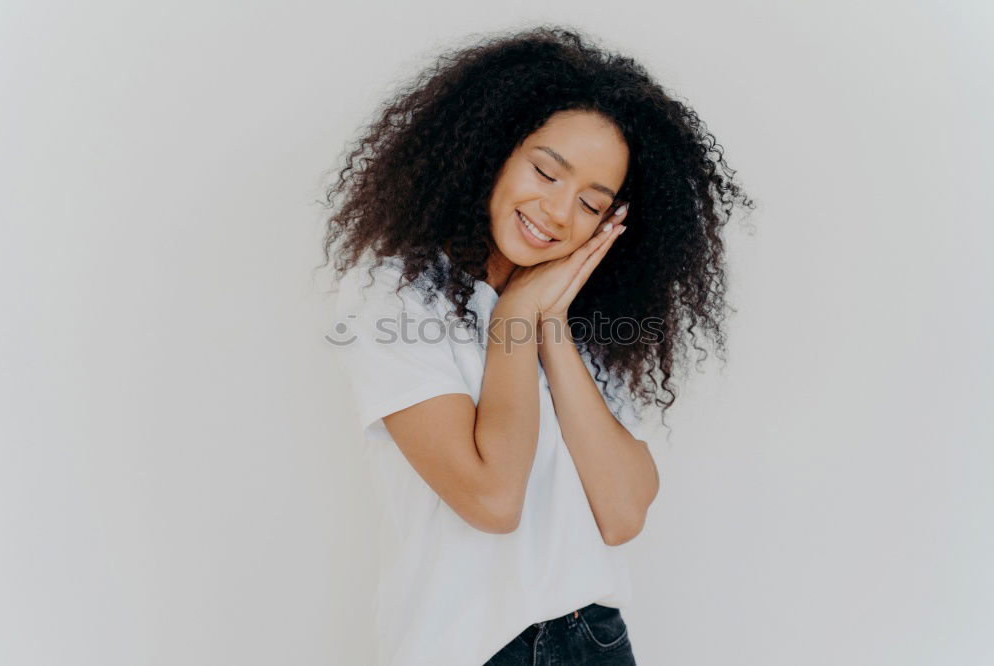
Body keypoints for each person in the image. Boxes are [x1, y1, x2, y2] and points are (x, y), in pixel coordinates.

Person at [322, 26, 753, 666]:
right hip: (471, 646)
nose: (556, 212)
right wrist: (516, 318)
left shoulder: (576, 316)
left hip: (598, 638)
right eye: (546, 172)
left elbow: (623, 511)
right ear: (493, 148)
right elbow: (493, 500)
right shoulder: (396, 296)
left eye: (590, 204)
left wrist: (546, 323)